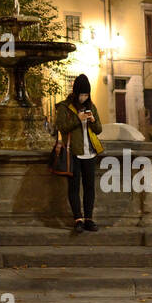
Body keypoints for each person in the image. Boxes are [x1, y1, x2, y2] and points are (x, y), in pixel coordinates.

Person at [55, 73, 103, 233]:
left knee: (89, 187)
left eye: (86, 94)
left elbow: (99, 130)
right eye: (82, 94)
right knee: (74, 187)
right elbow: (61, 126)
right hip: (73, 153)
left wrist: (93, 121)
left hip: (89, 153)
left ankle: (89, 218)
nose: (84, 97)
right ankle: (78, 219)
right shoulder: (64, 107)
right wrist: (78, 118)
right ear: (76, 93)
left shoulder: (91, 106)